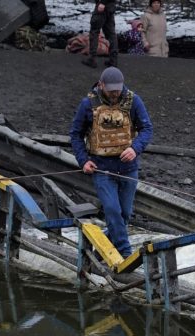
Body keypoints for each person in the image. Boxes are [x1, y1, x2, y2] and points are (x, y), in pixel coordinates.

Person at [69, 67, 153, 258]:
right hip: (102, 169)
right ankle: (125, 255)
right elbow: (75, 134)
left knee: (124, 215)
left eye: (118, 90)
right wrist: (83, 161)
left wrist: (135, 148)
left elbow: (147, 128)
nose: (115, 94)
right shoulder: (87, 104)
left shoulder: (133, 101)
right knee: (113, 211)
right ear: (101, 85)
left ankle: (97, 250)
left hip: (128, 168)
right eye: (111, 90)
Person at [82, 0, 119, 68]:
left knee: (94, 32)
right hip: (110, 6)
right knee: (111, 34)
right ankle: (113, 60)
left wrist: (102, 3)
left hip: (103, 6)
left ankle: (91, 59)